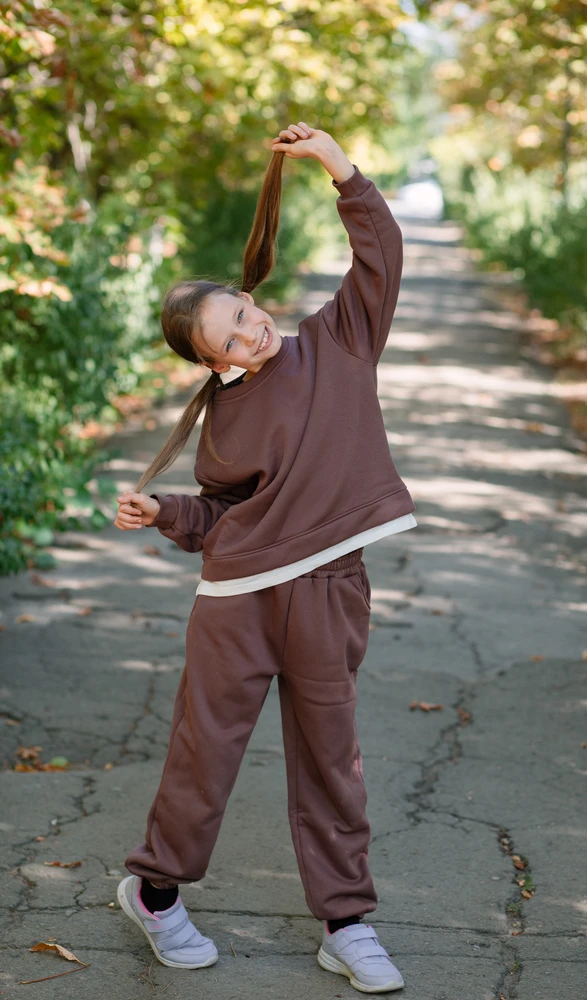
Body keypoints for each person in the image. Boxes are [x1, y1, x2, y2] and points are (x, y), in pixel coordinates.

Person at [113, 121, 417, 993]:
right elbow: (221, 510)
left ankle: (347, 924)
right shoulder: (227, 418)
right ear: (214, 365)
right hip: (236, 599)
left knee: (332, 758)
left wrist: (335, 163)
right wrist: (164, 511)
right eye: (232, 338)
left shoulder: (339, 339)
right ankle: (157, 894)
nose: (255, 331)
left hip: (328, 590)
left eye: (245, 312)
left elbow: (382, 249)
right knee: (203, 752)